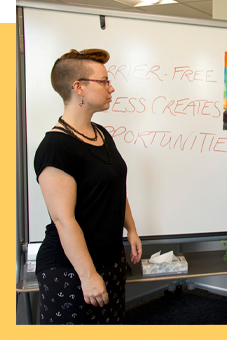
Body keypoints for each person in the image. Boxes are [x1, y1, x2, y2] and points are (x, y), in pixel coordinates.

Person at [34, 48, 142, 324]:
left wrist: (131, 229)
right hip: (72, 269)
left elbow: (115, 187)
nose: (111, 87)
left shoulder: (101, 134)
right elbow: (63, 220)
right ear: (78, 87)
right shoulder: (55, 147)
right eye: (104, 81)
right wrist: (88, 275)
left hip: (110, 260)